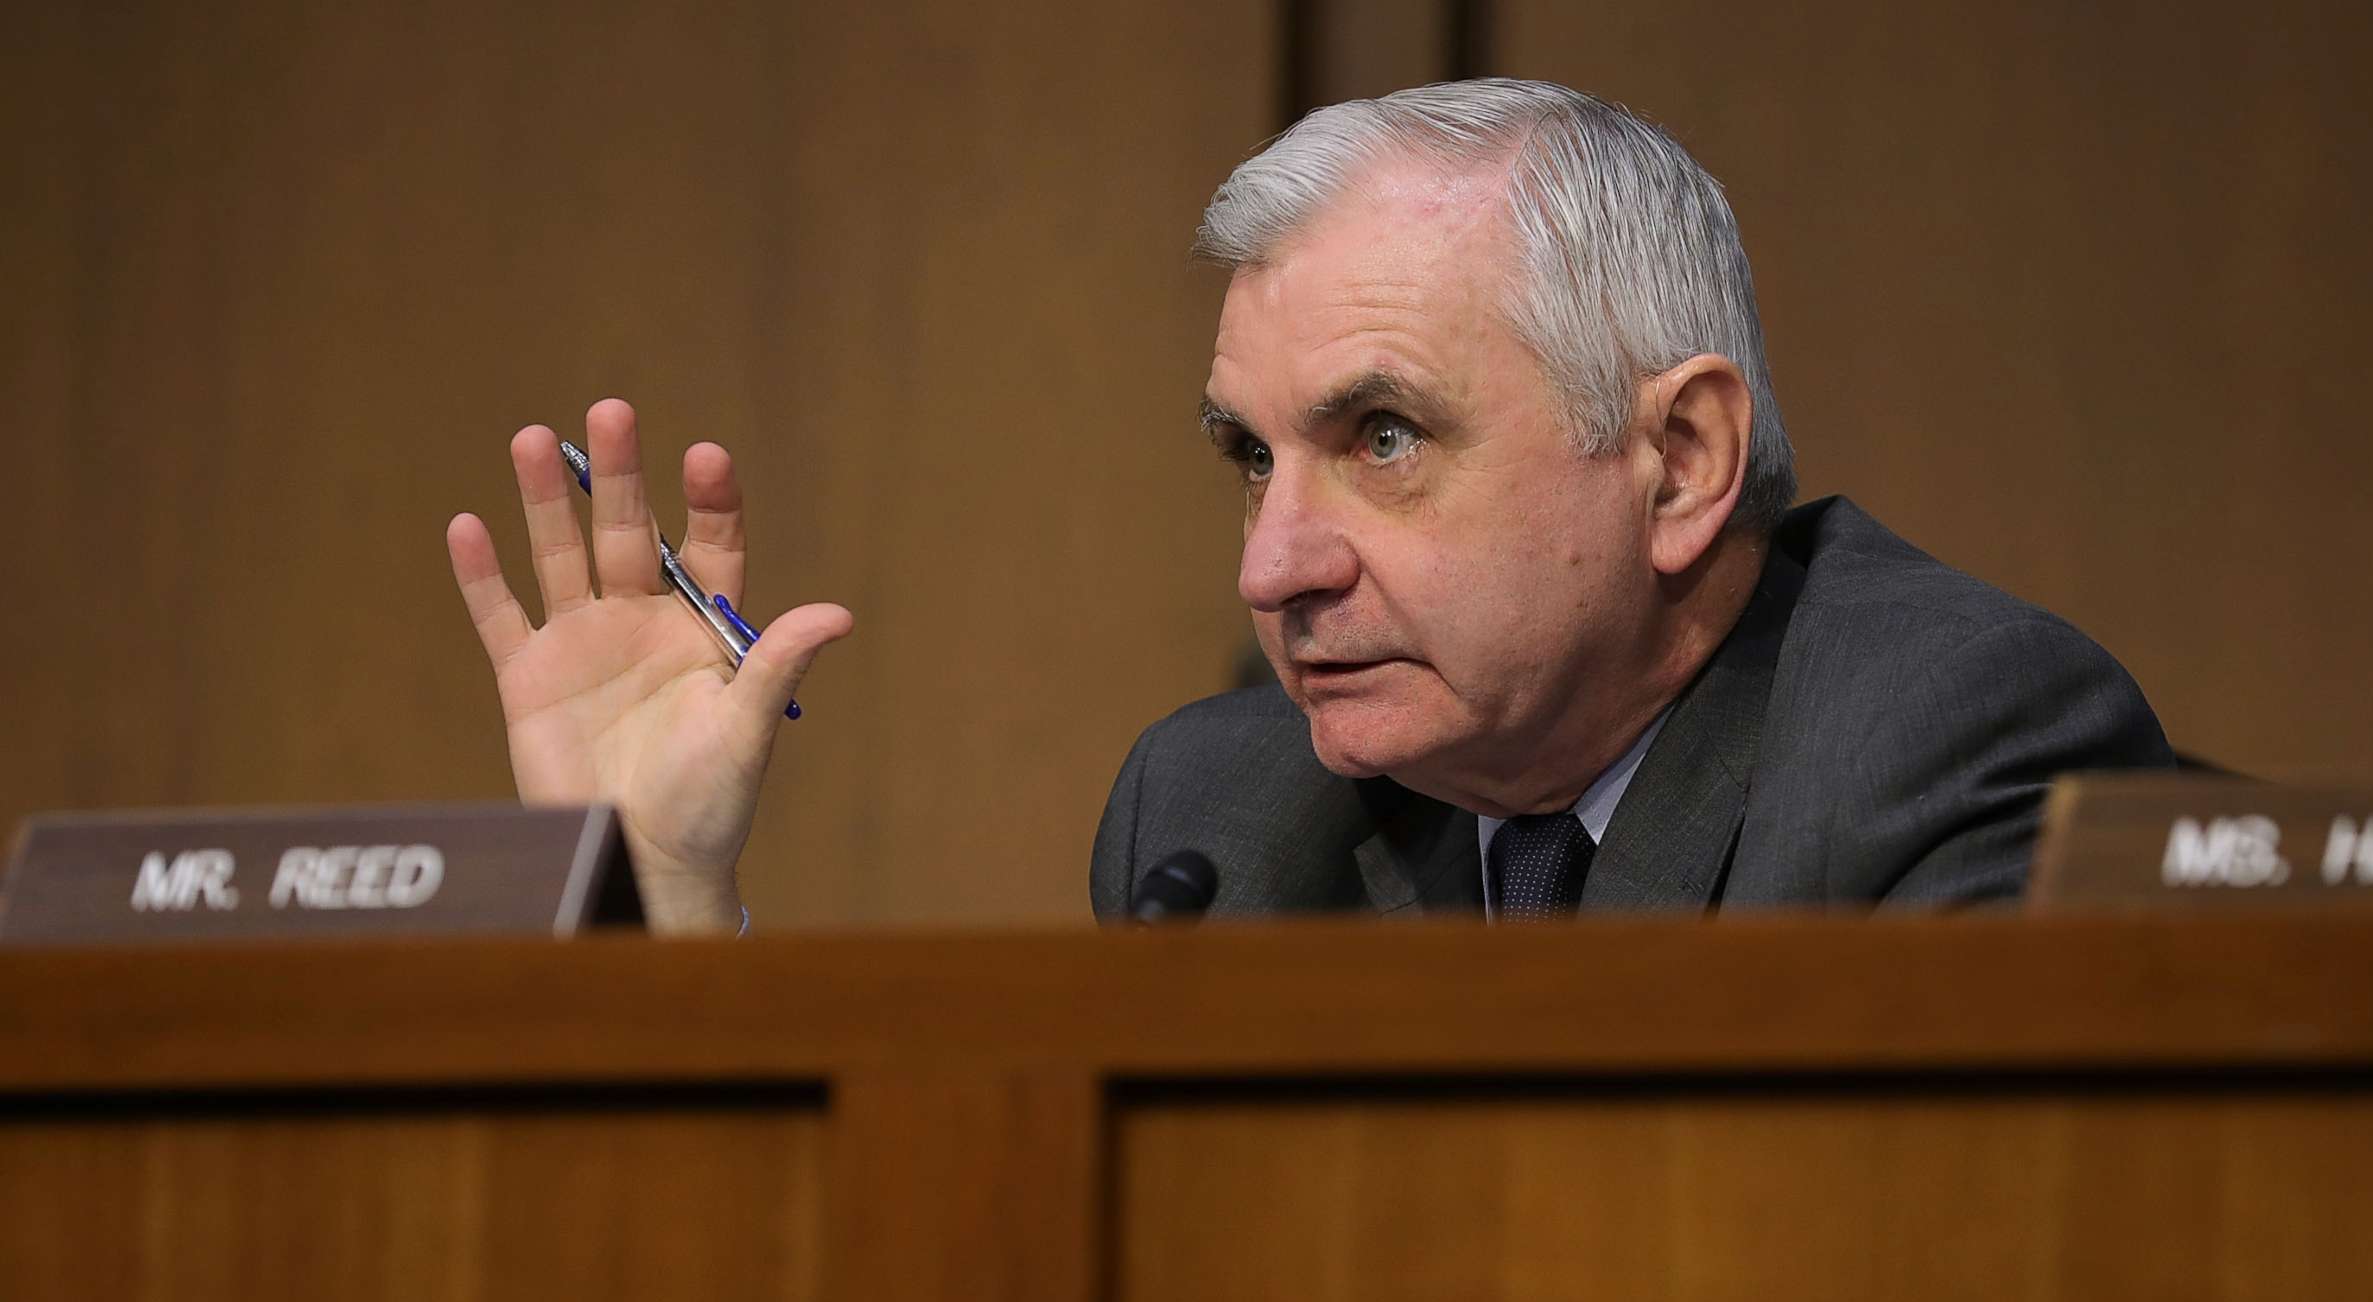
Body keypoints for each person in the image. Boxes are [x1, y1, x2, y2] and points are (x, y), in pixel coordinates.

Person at [446, 79, 2169, 931]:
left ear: (1684, 462)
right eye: (1250, 455)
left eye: (1385, 438)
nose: (1276, 563)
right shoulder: (1221, 813)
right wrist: (660, 901)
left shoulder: (1942, 749)